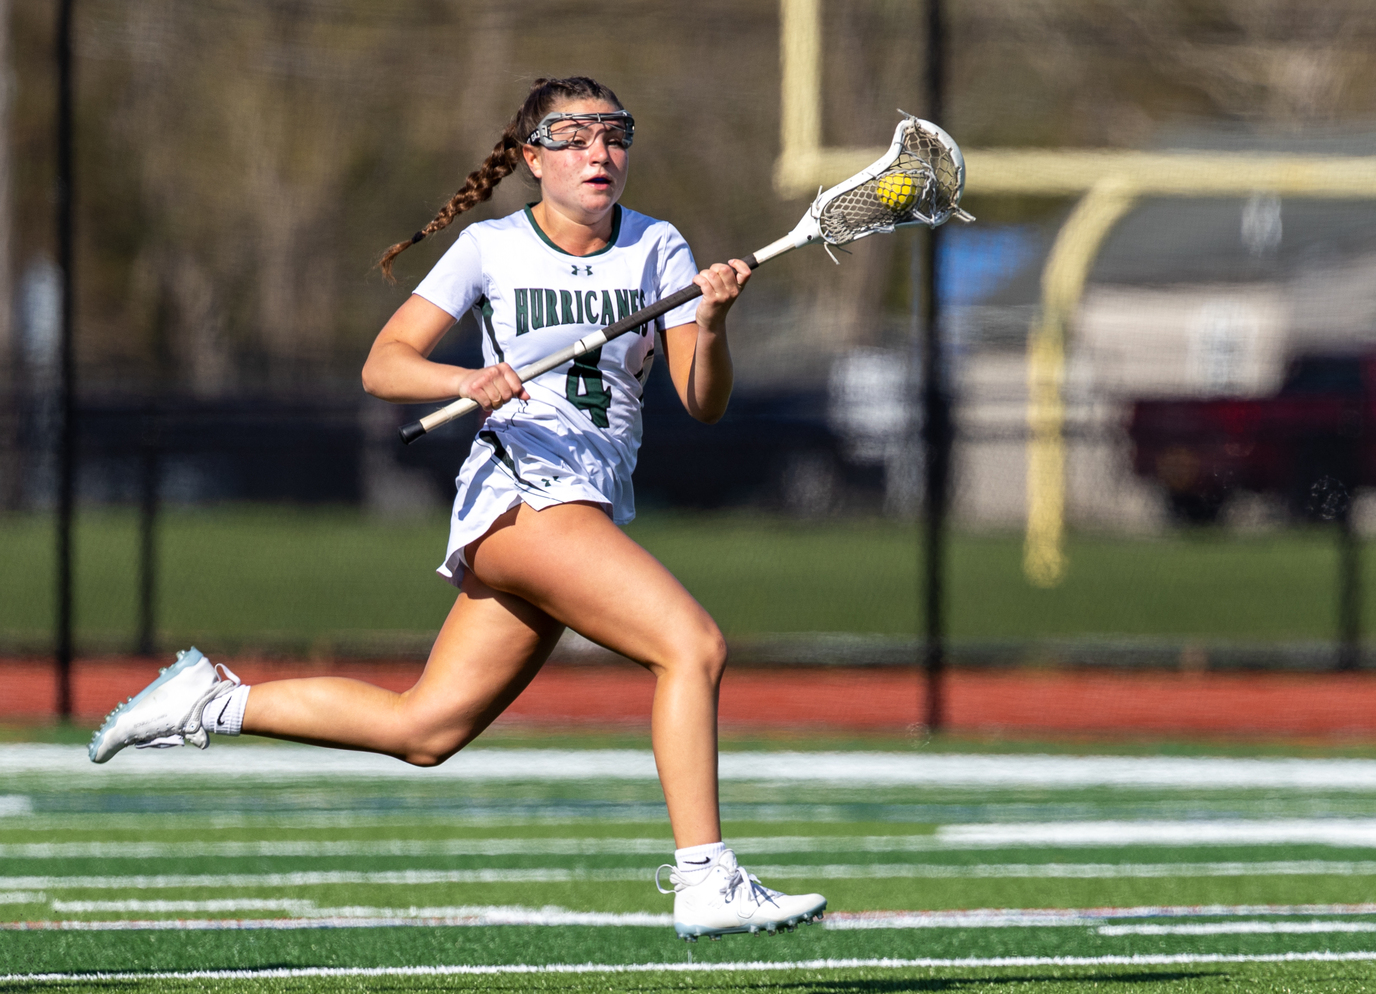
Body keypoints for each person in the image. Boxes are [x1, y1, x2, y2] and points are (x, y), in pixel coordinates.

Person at [86, 76, 825, 941]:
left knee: (426, 728)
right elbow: (383, 363)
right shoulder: (491, 248)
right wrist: (466, 380)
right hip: (522, 499)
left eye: (613, 134)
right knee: (692, 645)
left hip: (584, 504)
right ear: (530, 157)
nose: (600, 152)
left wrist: (719, 319)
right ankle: (705, 876)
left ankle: (208, 701)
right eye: (575, 136)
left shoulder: (658, 248)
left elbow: (703, 400)